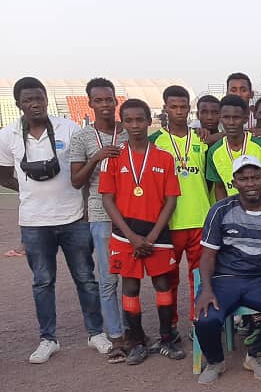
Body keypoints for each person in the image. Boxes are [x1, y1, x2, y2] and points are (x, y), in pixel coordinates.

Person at [0, 77, 104, 363]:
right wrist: (27, 188)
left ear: (46, 98)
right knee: (42, 282)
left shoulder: (68, 129)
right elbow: (3, 172)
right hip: (33, 221)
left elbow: (82, 170)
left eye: (39, 98)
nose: (35, 104)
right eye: (28, 100)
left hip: (72, 217)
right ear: (18, 104)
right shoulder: (8, 135)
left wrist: (83, 207)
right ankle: (48, 339)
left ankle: (96, 333)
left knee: (85, 277)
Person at [193, 155, 261, 384]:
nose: (250, 183)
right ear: (234, 182)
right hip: (225, 279)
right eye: (244, 178)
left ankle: (256, 355)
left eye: (255, 178)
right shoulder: (220, 210)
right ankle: (215, 361)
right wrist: (207, 289)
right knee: (206, 317)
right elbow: (208, 256)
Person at [99, 98, 181, 365]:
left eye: (140, 120)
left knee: (162, 284)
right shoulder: (113, 157)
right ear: (123, 123)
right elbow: (107, 199)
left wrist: (154, 236)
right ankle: (136, 341)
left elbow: (171, 199)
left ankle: (167, 338)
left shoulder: (164, 157)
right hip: (125, 233)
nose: (135, 125)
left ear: (149, 121)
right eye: (129, 120)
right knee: (130, 286)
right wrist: (132, 237)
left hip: (157, 231)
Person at [150, 85, 213, 347]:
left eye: (183, 107)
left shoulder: (201, 138)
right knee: (170, 278)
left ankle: (197, 322)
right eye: (173, 106)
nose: (178, 111)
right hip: (170, 222)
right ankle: (171, 325)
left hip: (200, 218)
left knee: (200, 277)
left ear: (190, 109)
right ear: (165, 108)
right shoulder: (156, 141)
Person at [68, 77, 126, 355]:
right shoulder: (81, 137)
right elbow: (76, 180)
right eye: (99, 100)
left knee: (131, 275)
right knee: (107, 277)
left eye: (109, 99)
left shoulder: (129, 131)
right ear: (89, 103)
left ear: (116, 101)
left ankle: (133, 330)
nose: (105, 105)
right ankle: (116, 335)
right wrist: (96, 157)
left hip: (131, 214)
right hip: (101, 214)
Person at [205, 95, 261, 201]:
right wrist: (224, 211)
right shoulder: (214, 151)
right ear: (220, 118)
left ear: (245, 118)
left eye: (236, 117)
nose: (231, 122)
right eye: (226, 117)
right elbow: (219, 187)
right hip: (235, 209)